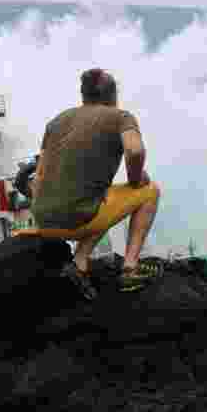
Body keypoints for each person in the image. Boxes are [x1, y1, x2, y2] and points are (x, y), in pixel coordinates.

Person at [27, 68, 162, 297]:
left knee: (100, 196)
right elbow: (135, 150)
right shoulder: (120, 117)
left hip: (44, 222)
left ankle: (79, 264)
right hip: (78, 220)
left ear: (84, 95)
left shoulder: (56, 122)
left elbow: (38, 177)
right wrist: (136, 178)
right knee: (150, 191)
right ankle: (129, 268)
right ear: (113, 95)